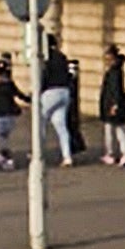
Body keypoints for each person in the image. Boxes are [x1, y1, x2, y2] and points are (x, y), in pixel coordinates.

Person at [40, 33, 77, 168]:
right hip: (64, 91)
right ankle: (67, 157)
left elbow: (44, 76)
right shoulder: (62, 56)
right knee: (61, 127)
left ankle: (38, 153)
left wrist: (38, 91)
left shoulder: (45, 58)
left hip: (50, 91)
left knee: (39, 123)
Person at [99, 44, 125, 166]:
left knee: (110, 131)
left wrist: (114, 105)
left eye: (108, 58)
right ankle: (123, 153)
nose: (106, 61)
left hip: (112, 104)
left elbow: (115, 90)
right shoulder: (117, 70)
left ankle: (111, 153)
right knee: (120, 130)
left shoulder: (114, 72)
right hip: (117, 103)